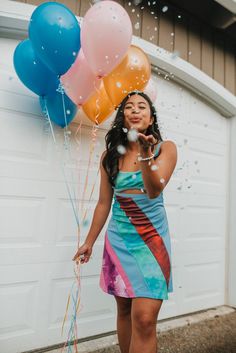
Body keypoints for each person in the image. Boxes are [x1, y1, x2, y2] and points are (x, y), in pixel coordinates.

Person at [73, 90, 177, 353]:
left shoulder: (165, 149)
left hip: (152, 245)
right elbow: (104, 203)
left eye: (142, 106)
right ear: (122, 118)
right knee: (125, 310)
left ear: (151, 117)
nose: (135, 110)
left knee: (144, 319)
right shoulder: (110, 157)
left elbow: (154, 189)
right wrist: (88, 242)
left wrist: (144, 153)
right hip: (119, 241)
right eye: (129, 107)